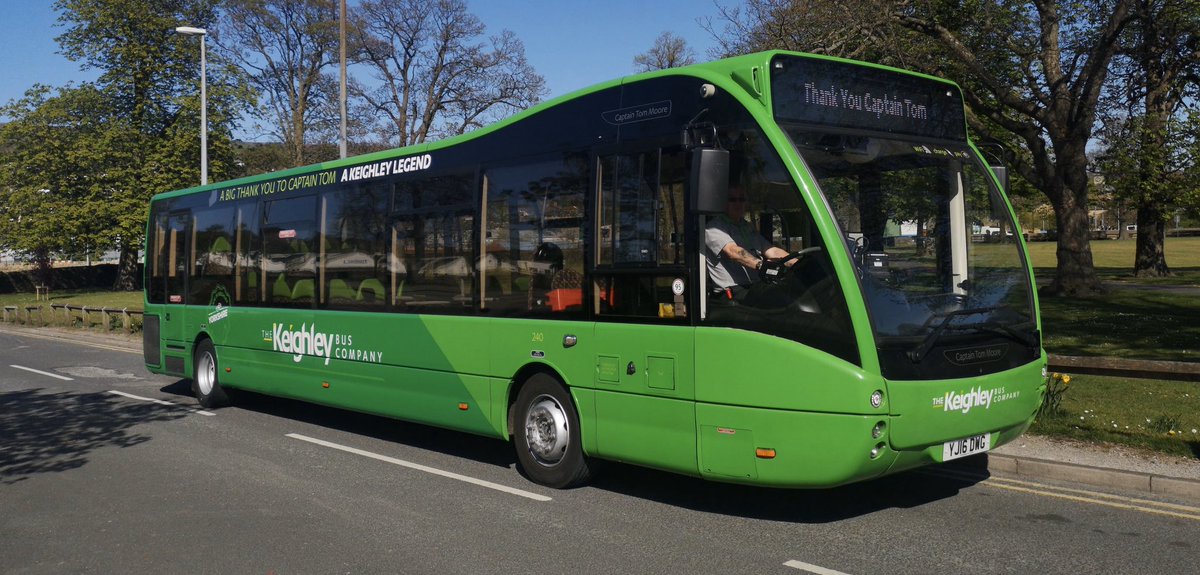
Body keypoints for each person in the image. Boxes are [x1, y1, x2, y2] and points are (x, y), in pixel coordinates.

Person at [705, 185, 795, 304]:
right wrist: (761, 265)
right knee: (782, 301)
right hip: (732, 294)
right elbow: (733, 251)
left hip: (754, 287)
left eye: (741, 199)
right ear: (723, 203)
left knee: (793, 293)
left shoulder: (746, 226)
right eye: (732, 199)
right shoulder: (714, 227)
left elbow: (771, 250)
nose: (738, 203)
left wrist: (797, 263)